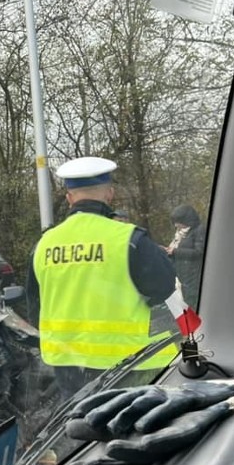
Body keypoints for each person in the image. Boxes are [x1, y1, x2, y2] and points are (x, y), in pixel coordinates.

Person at [26, 156, 178, 399]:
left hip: (68, 365)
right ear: (110, 194)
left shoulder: (43, 245)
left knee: (83, 433)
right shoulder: (129, 240)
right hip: (127, 366)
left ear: (69, 198)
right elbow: (164, 287)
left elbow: (34, 307)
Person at [165, 204, 205, 308]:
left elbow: (199, 252)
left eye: (178, 222)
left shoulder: (199, 230)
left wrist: (175, 251)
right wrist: (168, 251)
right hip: (182, 277)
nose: (176, 225)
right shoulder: (180, 234)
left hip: (194, 277)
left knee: (193, 305)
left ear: (187, 219)